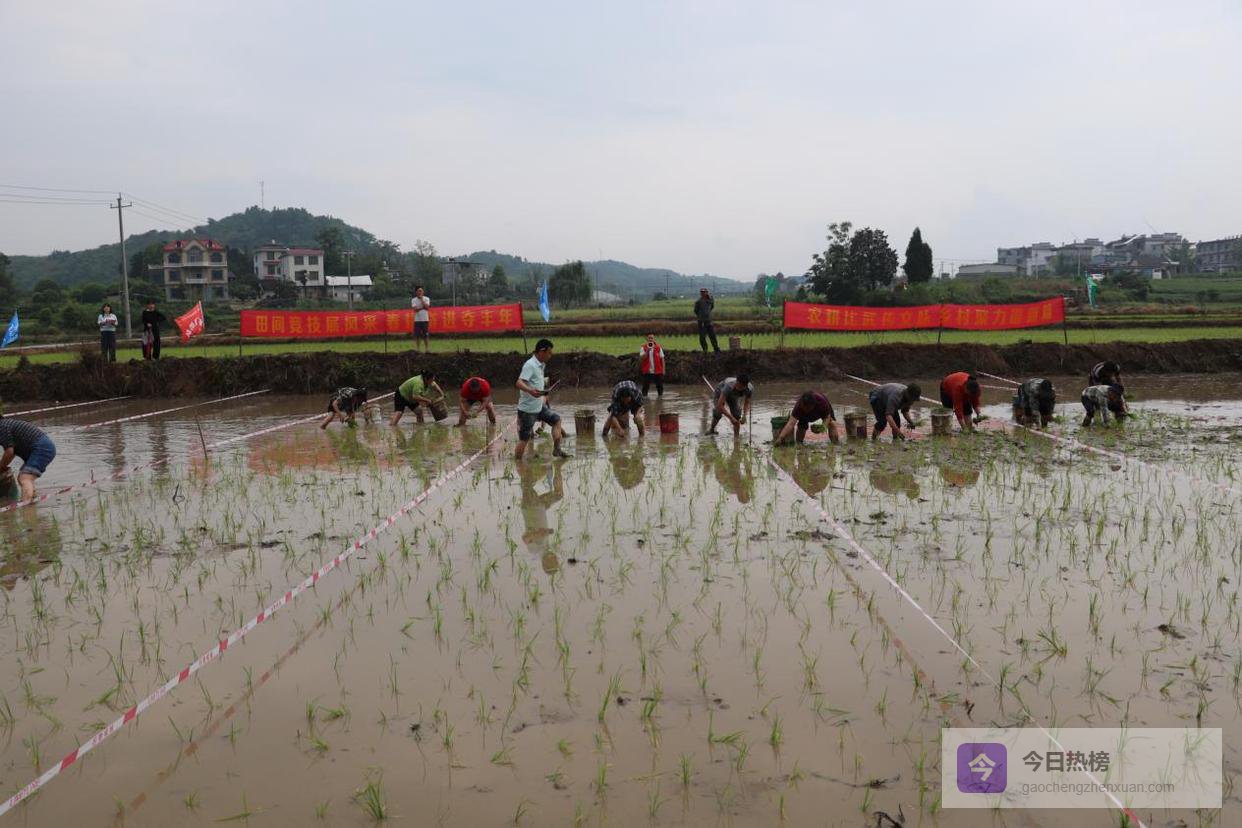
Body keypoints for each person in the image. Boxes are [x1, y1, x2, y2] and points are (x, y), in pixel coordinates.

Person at [515, 338, 570, 460]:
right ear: (541, 351)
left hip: (539, 406)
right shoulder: (530, 365)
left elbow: (536, 382)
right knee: (524, 439)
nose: (551, 355)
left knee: (556, 420)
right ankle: (517, 463)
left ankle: (557, 449)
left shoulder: (541, 365)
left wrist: (544, 392)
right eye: (549, 352)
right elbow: (519, 382)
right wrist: (530, 390)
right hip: (528, 410)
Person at [0, 416, 56, 502]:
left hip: (41, 448)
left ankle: (27, 509)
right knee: (23, 478)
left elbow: (9, 452)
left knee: (25, 478)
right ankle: (32, 503)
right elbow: (12, 452)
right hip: (42, 446)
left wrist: (1, 466)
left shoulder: (2, 427)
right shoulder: (6, 424)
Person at [776, 390, 841, 445]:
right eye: (805, 408)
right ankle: (799, 444)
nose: (806, 410)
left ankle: (835, 444)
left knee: (831, 423)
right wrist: (780, 438)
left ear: (814, 404)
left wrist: (822, 428)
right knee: (801, 426)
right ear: (801, 404)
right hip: (803, 414)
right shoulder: (798, 407)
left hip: (822, 411)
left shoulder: (822, 403)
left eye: (808, 408)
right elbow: (790, 424)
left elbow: (827, 418)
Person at [693, 288, 720, 352]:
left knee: (712, 335)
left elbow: (712, 307)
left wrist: (708, 315)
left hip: (709, 321)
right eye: (702, 292)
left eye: (704, 292)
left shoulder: (710, 300)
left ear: (707, 292)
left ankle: (716, 348)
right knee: (702, 337)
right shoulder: (698, 301)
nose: (703, 293)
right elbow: (695, 310)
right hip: (702, 321)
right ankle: (705, 349)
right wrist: (701, 316)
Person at [411, 286, 432, 353]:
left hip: (425, 319)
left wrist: (422, 300)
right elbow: (415, 309)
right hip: (417, 320)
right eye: (418, 291)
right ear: (416, 292)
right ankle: (417, 349)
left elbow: (427, 307)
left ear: (423, 292)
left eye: (421, 291)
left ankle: (427, 349)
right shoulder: (413, 300)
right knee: (417, 335)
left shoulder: (426, 298)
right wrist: (423, 307)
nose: (420, 292)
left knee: (425, 335)